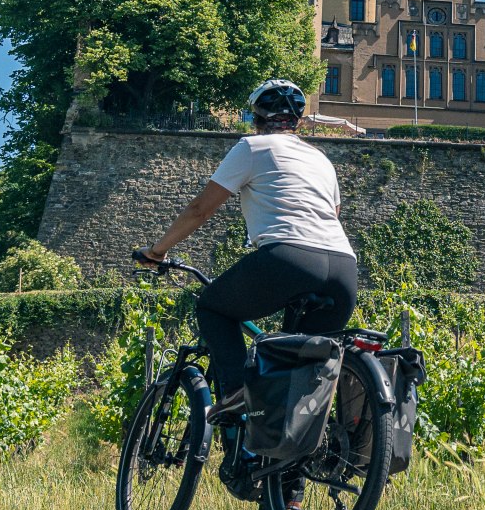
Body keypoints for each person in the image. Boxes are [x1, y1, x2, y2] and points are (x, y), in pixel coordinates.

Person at [134, 77, 359, 419]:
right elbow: (333, 215)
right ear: (297, 121)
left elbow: (200, 210)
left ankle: (239, 391)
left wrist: (158, 251)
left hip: (290, 258)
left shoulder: (252, 148)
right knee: (296, 384)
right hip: (344, 269)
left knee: (213, 308)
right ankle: (285, 467)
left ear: (256, 118)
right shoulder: (322, 161)